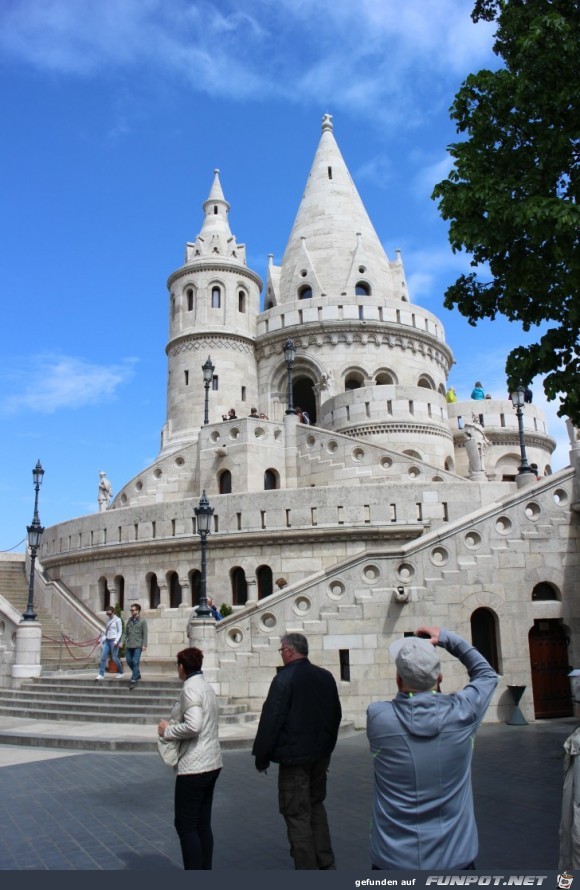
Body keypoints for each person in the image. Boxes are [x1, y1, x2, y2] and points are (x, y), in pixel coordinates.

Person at [367, 626, 497, 870]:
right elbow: (486, 675)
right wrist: (448, 639)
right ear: (440, 678)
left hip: (392, 861)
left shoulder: (378, 717)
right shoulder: (463, 712)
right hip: (455, 859)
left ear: (397, 679)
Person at [252, 632, 342, 870]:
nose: (281, 655)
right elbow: (335, 715)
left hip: (294, 761)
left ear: (290, 651)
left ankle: (307, 867)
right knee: (316, 806)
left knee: (297, 814)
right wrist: (327, 747)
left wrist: (262, 757)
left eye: (281, 650)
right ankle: (326, 861)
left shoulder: (284, 679)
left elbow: (271, 720)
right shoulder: (325, 676)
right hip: (320, 756)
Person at [158, 647, 222, 870]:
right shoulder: (207, 687)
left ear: (182, 667)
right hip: (212, 761)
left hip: (194, 765)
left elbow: (194, 725)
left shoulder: (190, 689)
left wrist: (167, 730)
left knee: (186, 825)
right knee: (203, 824)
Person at [122, 603, 148, 689]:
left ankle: (133, 679)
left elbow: (145, 634)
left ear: (138, 611)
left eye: (133, 610)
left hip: (138, 645)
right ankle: (137, 674)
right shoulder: (129, 621)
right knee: (129, 661)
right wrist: (122, 641)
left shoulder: (143, 621)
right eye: (131, 610)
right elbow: (125, 632)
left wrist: (144, 645)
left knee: (135, 661)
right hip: (129, 644)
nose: (131, 612)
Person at [95, 606, 124, 680]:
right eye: (107, 614)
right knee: (103, 657)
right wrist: (101, 639)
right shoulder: (108, 620)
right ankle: (101, 674)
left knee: (114, 657)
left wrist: (116, 641)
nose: (109, 615)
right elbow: (106, 632)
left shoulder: (118, 620)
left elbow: (120, 631)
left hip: (114, 640)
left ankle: (120, 672)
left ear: (113, 612)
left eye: (110, 614)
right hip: (107, 640)